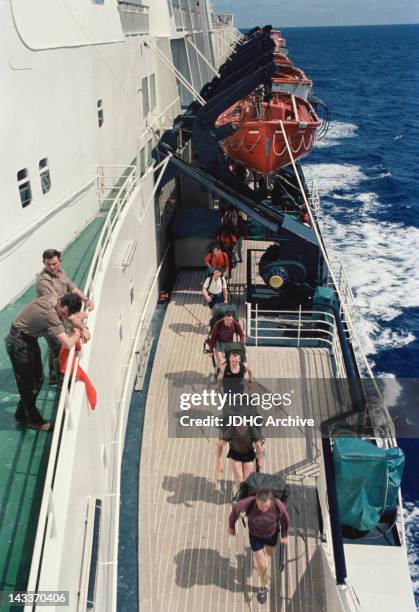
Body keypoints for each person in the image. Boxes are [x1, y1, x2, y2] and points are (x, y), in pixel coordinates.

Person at [4, 293, 90, 432]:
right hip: (18, 344)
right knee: (27, 384)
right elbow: (68, 344)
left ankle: (22, 413)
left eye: (66, 314)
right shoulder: (50, 314)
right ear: (61, 303)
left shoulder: (55, 299)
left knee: (38, 379)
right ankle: (33, 420)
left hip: (29, 340)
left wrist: (83, 328)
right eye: (64, 313)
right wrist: (79, 333)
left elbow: (71, 317)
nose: (64, 317)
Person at [36, 249, 94, 386]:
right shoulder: (43, 281)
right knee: (59, 350)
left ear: (60, 261)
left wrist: (86, 300)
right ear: (43, 262)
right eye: (48, 264)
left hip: (60, 317)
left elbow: (72, 288)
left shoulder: (62, 273)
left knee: (54, 348)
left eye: (54, 263)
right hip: (49, 320)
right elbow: (57, 306)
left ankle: (53, 378)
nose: (51, 267)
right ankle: (62, 383)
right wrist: (81, 325)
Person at [228, 490, 289, 604]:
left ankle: (263, 554)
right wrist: (231, 526)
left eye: (266, 506)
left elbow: (285, 518)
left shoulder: (278, 505)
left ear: (270, 501)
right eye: (261, 506)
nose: (264, 509)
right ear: (256, 500)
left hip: (272, 535)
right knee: (262, 564)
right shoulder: (249, 503)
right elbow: (236, 509)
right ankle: (264, 586)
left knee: (270, 554)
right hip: (255, 536)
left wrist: (284, 535)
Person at [216, 424, 262, 490]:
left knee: (248, 480)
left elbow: (258, 445)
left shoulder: (252, 429)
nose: (241, 428)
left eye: (244, 425)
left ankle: (245, 495)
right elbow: (219, 445)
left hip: (249, 455)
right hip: (235, 455)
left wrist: (260, 460)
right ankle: (241, 496)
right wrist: (219, 462)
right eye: (239, 425)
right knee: (240, 481)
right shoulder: (231, 430)